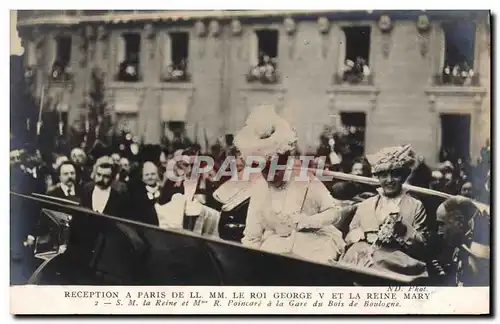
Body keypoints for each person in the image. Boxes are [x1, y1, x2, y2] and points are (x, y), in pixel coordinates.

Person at [237, 105, 347, 264]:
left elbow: (334, 211)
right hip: (277, 244)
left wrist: (309, 221)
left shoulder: (304, 178)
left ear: (284, 161)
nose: (269, 175)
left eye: (274, 168)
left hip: (315, 242)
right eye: (263, 170)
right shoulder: (259, 188)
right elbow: (252, 235)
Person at [340, 145, 430, 279]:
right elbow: (350, 236)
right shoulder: (366, 204)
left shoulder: (415, 205)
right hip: (362, 258)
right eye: (384, 175)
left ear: (404, 176)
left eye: (395, 174)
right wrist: (363, 235)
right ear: (377, 177)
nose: (389, 180)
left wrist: (404, 231)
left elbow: (423, 248)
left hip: (397, 264)